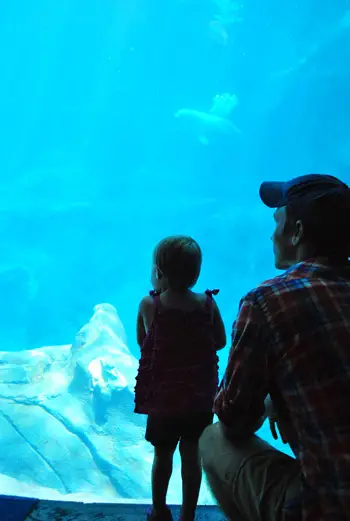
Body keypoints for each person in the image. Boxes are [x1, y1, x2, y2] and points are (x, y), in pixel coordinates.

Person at [199, 174, 350, 521]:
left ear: (296, 232)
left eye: (278, 222)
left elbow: (234, 419)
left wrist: (271, 397)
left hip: (330, 507)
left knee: (212, 438)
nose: (271, 234)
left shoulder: (269, 300)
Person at [134, 235, 226, 521]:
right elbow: (221, 341)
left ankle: (159, 511)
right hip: (199, 399)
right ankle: (188, 515)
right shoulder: (208, 305)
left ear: (158, 272)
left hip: (164, 399)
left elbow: (143, 343)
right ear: (196, 272)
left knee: (162, 456)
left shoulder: (151, 305)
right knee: (191, 458)